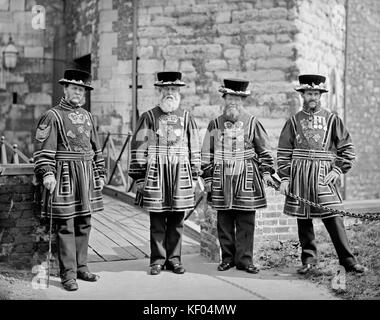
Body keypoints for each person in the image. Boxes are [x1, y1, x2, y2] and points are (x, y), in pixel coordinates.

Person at [277, 74, 367, 274]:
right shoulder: (293, 121)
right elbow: (284, 151)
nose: (313, 97)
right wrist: (284, 177)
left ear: (320, 96)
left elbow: (348, 148)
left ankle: (348, 261)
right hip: (299, 175)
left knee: (333, 215)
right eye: (309, 93)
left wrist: (337, 170)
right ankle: (309, 261)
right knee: (304, 219)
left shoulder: (332, 119)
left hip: (323, 175)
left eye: (316, 94)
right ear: (303, 95)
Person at [33, 69, 106, 291]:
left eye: (81, 89)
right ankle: (68, 274)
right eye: (74, 88)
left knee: (85, 222)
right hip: (64, 174)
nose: (78, 92)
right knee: (66, 224)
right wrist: (47, 172)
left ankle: (82, 267)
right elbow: (44, 148)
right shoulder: (52, 116)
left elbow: (96, 147)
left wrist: (100, 173)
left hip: (86, 174)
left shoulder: (88, 116)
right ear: (65, 89)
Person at [128, 71, 201, 275]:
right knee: (157, 219)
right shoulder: (149, 117)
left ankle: (175, 260)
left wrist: (195, 176)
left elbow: (194, 147)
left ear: (178, 92)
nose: (170, 93)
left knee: (177, 219)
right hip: (156, 173)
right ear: (159, 91)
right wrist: (140, 177)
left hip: (180, 172)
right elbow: (138, 147)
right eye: (166, 89)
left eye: (173, 89)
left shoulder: (186, 117)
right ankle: (157, 260)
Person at [201, 78, 275, 274]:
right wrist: (208, 178)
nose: (233, 101)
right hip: (222, 178)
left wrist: (266, 172)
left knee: (246, 220)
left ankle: (245, 260)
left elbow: (264, 150)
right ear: (224, 98)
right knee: (224, 221)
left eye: (238, 98)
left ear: (243, 100)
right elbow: (206, 153)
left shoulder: (252, 122)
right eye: (230, 97)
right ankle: (227, 259)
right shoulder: (215, 124)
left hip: (247, 177)